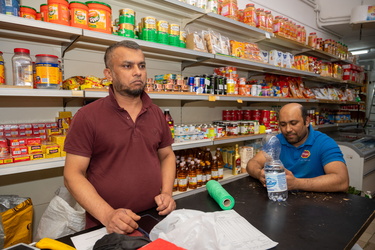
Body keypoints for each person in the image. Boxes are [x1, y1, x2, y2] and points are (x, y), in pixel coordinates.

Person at [63, 40, 176, 234]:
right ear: (109, 74)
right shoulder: (88, 116)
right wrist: (107, 215)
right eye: (127, 65)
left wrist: (166, 193)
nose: (137, 71)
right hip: (105, 223)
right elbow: (72, 174)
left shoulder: (156, 113)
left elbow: (167, 156)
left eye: (141, 65)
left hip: (152, 216)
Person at [246, 103, 349, 192]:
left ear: (307, 121)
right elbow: (252, 163)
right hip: (283, 201)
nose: (288, 129)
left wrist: (296, 183)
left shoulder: (324, 143)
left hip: (316, 205)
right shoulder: (276, 141)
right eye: (283, 124)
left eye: (293, 123)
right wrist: (260, 174)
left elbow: (342, 181)